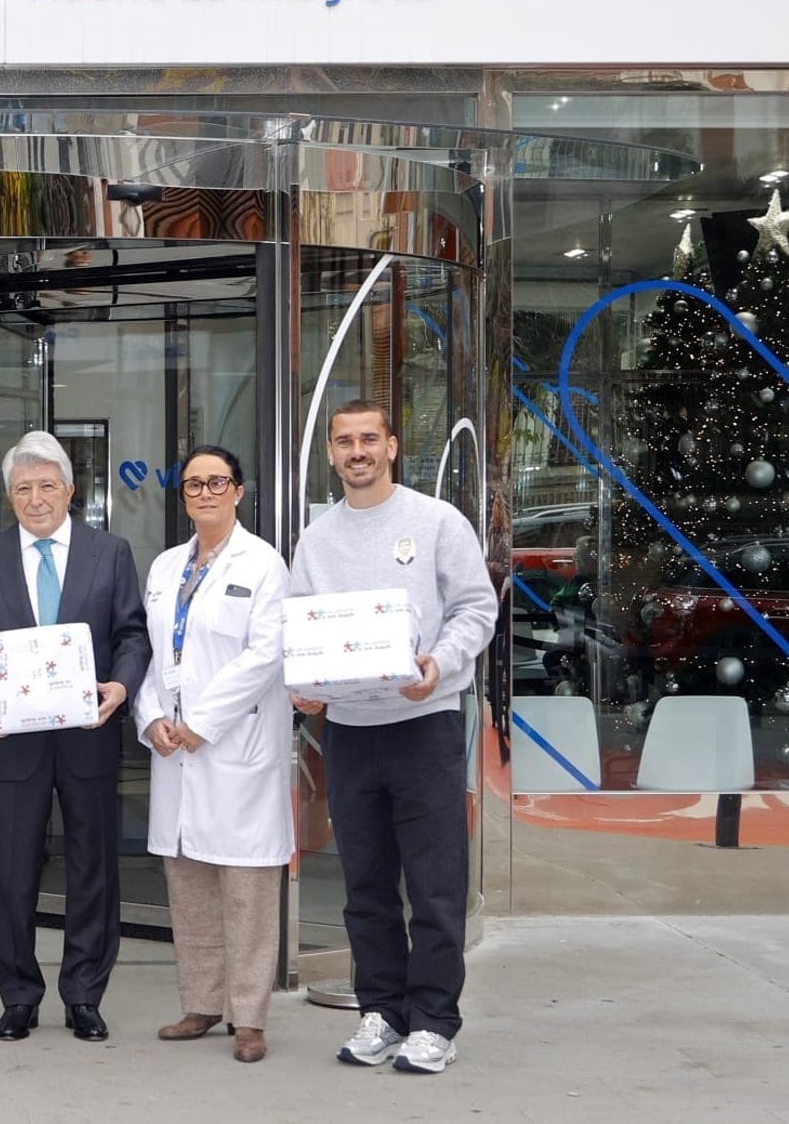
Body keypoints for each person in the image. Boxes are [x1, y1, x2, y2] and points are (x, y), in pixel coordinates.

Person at [289, 400, 496, 1075]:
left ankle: (434, 1021)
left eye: (369, 439)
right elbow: (301, 626)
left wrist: (439, 663)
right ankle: (382, 1010)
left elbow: (477, 608)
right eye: (345, 441)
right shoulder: (316, 541)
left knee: (435, 884)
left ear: (392, 447)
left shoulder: (436, 522)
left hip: (424, 725)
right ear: (330, 454)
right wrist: (302, 685)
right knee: (366, 886)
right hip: (349, 732)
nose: (358, 451)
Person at [0, 430, 151, 1043]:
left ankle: (84, 994)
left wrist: (121, 686)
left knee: (93, 866)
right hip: (14, 740)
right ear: (8, 496)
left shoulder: (109, 551)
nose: (35, 499)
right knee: (12, 871)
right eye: (22, 489)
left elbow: (132, 634)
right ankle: (19, 996)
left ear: (70, 490)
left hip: (89, 734)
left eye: (46, 486)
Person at [132, 445, 291, 1064]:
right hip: (176, 747)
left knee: (247, 891)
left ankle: (248, 1018)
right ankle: (201, 1003)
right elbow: (155, 654)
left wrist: (201, 722)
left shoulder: (264, 563)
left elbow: (265, 655)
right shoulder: (166, 566)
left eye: (217, 482)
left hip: (233, 743)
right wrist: (151, 717)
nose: (204, 493)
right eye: (194, 484)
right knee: (190, 883)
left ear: (239, 492)